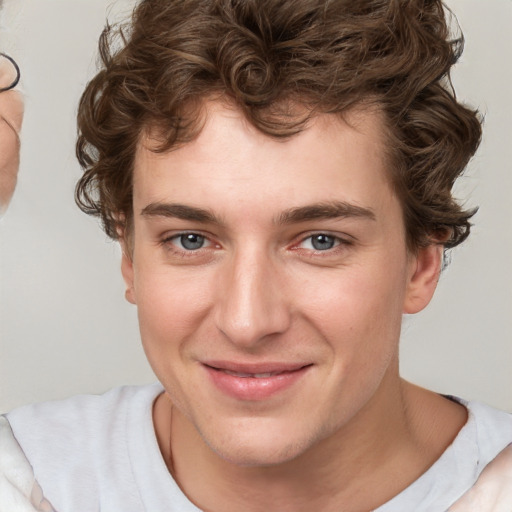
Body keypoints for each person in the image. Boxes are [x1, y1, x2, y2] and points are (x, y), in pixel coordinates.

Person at [1, 0, 511, 510]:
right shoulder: (24, 481)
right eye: (191, 240)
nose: (246, 323)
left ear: (421, 263)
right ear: (130, 255)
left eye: (321, 241)